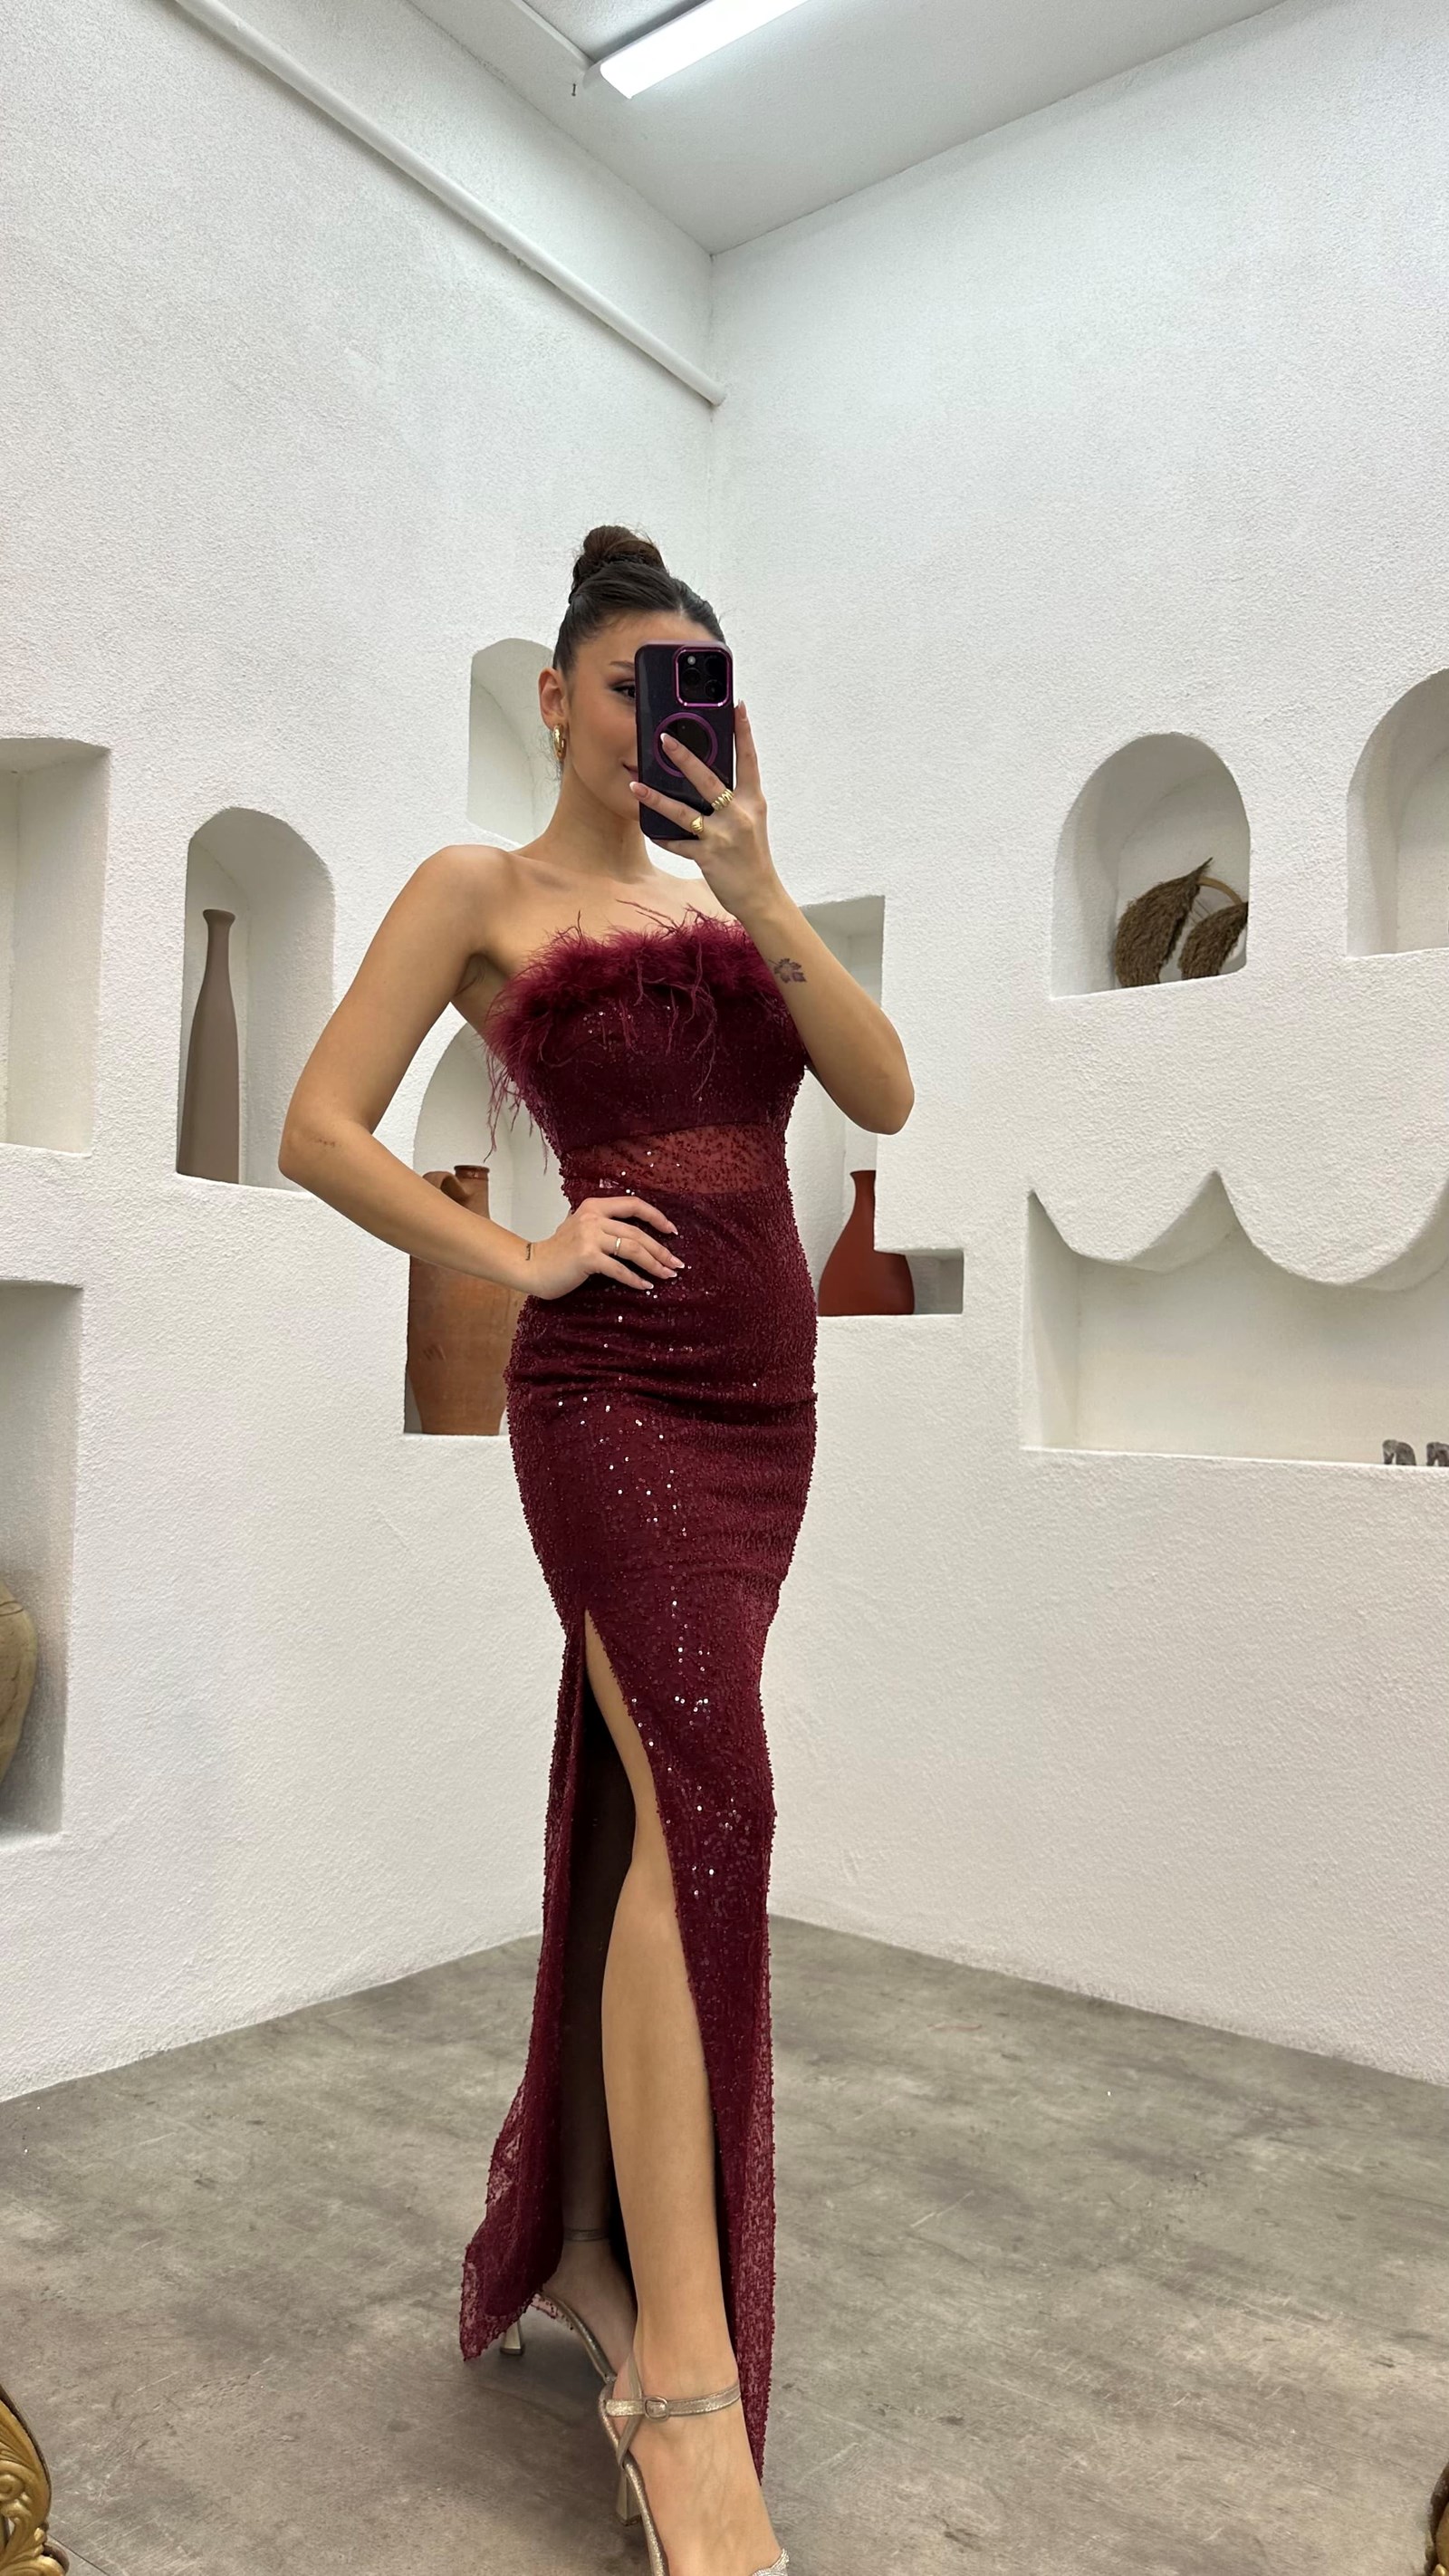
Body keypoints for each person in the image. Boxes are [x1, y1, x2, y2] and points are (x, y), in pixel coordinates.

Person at [279, 524, 914, 2576]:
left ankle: (585, 2247)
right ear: (556, 699)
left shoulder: (720, 906)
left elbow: (885, 1092)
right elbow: (318, 1126)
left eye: (696, 690)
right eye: (636, 684)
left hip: (764, 1412)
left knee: (659, 1816)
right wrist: (524, 1256)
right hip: (612, 1407)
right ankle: (684, 2383)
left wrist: (761, 887)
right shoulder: (479, 891)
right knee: (713, 1807)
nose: (665, 720)